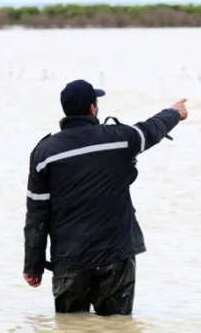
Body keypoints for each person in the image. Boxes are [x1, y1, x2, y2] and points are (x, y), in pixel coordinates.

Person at [22, 79, 188, 316]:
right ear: (92, 108)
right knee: (117, 332)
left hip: (70, 260)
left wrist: (33, 265)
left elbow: (37, 214)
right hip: (116, 255)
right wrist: (173, 112)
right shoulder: (119, 138)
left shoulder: (44, 152)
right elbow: (151, 130)